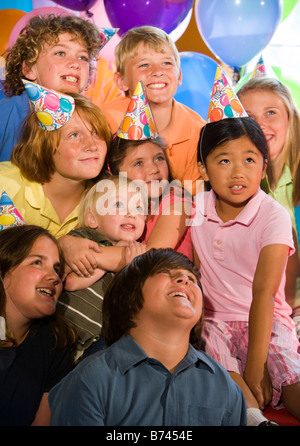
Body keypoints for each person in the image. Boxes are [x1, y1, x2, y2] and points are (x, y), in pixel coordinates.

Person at [48, 247, 246, 426]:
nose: (185, 280)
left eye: (192, 280)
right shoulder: (89, 381)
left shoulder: (225, 386)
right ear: (129, 300)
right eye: (165, 272)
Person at [191, 115, 300, 425]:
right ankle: (257, 420)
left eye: (249, 159)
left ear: (263, 167)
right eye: (224, 160)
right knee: (222, 370)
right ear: (203, 169)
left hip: (267, 316)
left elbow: (264, 293)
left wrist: (257, 365)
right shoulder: (197, 207)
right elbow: (199, 270)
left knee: (288, 372)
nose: (238, 171)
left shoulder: (273, 216)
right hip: (215, 319)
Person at [0, 84, 111, 244]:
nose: (92, 145)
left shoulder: (106, 200)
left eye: (96, 133)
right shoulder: (5, 183)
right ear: (44, 145)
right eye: (74, 135)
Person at [101, 25, 205, 195]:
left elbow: (191, 201)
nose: (157, 72)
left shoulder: (198, 132)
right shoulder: (104, 120)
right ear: (121, 81)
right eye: (144, 65)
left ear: (179, 76)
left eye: (166, 63)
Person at [0, 13, 116, 161]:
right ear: (29, 69)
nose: (75, 63)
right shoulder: (4, 117)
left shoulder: (88, 123)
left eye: (83, 57)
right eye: (60, 53)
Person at [58, 174, 147, 359]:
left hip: (96, 340)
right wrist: (110, 259)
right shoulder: (83, 239)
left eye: (139, 208)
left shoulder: (138, 254)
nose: (132, 214)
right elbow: (72, 282)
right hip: (63, 328)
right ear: (92, 219)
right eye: (118, 205)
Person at [238, 77, 300, 337]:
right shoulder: (231, 186)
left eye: (271, 113)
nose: (260, 125)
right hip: (251, 311)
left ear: (290, 119)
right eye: (249, 117)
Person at [105, 80, 194, 263]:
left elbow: (151, 256)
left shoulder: (176, 198)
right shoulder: (115, 208)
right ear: (115, 173)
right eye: (138, 163)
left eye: (159, 158)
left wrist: (91, 255)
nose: (153, 169)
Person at [0, 224, 77, 426]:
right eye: (37, 262)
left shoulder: (56, 343)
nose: (54, 277)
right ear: (4, 270)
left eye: (57, 269)